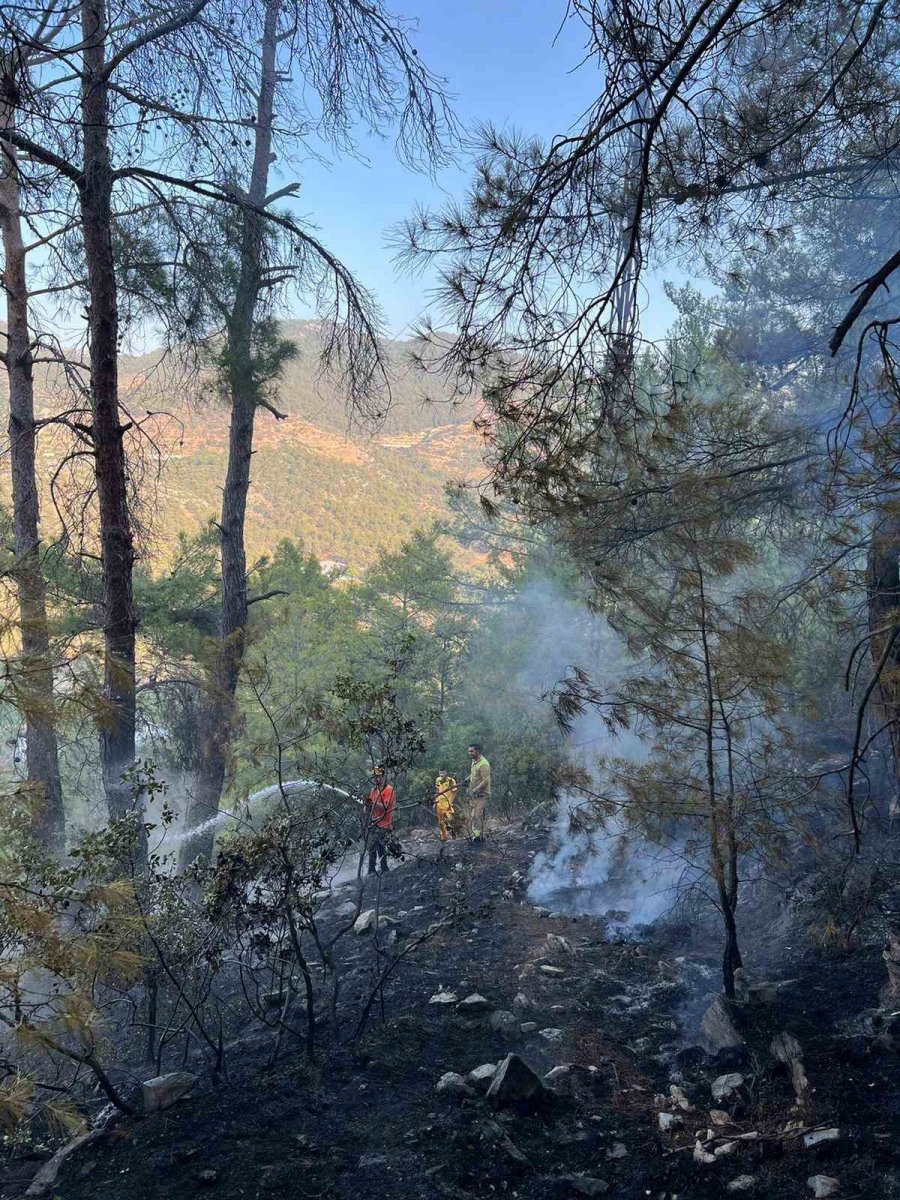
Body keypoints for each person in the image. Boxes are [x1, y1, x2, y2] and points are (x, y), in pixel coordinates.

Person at [365, 765, 395, 875]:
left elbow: (385, 807)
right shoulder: (373, 791)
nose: (376, 779)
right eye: (374, 777)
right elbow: (367, 810)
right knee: (380, 847)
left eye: (378, 776)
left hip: (385, 824)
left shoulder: (389, 790)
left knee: (372, 846)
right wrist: (367, 805)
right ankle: (384, 868)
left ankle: (371, 871)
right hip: (375, 823)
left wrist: (372, 804)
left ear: (383, 776)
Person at [465, 742, 491, 842]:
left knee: (477, 815)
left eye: (471, 751)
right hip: (474, 794)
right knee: (472, 816)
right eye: (469, 751)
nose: (469, 753)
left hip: (481, 794)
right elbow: (475, 775)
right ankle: (476, 835)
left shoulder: (484, 764)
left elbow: (485, 781)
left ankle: (479, 837)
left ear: (478, 751)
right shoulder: (474, 761)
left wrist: (475, 790)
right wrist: (467, 779)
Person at [434, 770, 457, 842]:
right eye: (440, 773)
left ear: (446, 772)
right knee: (441, 822)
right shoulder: (438, 780)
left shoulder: (451, 781)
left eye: (443, 773)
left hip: (447, 803)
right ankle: (443, 837)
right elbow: (437, 791)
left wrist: (450, 802)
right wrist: (435, 801)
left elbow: (454, 792)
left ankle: (453, 835)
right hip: (439, 803)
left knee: (449, 819)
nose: (441, 774)